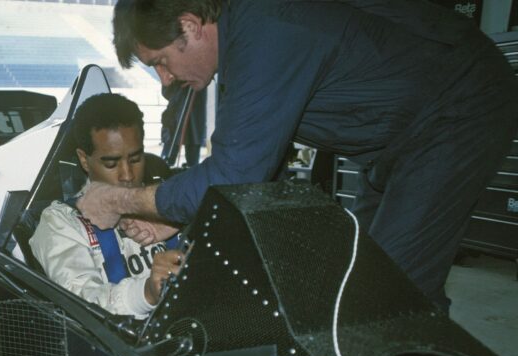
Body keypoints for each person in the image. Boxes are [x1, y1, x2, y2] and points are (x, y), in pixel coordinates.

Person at [78, 0, 518, 311]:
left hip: (458, 110)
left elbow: (232, 174)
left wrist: (119, 200)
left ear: (191, 26)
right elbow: (251, 166)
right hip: (398, 141)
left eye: (162, 61)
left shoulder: (266, 31)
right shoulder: (247, 37)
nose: (165, 80)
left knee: (390, 295)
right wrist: (174, 213)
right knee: (360, 273)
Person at [30, 93, 183, 319]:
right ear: (84, 160)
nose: (127, 175)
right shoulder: (61, 223)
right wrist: (147, 293)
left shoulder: (171, 199)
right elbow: (81, 301)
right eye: (111, 163)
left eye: (135, 159)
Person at [160, 81, 206, 167]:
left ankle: (191, 169)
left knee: (193, 156)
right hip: (177, 112)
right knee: (169, 152)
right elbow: (166, 91)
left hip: (195, 113)